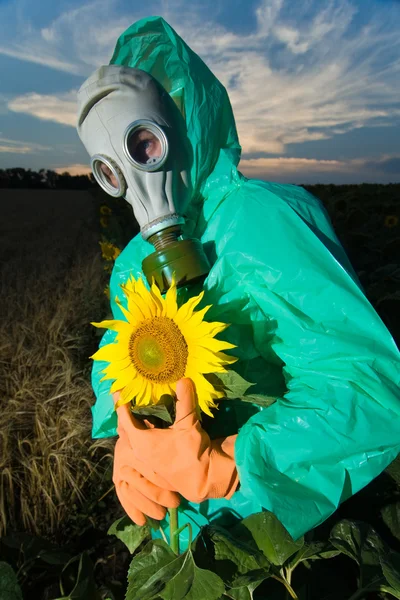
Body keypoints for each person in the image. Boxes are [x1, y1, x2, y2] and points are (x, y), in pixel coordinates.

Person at [76, 16, 400, 545]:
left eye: (145, 145)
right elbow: (118, 374)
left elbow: (366, 387)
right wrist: (126, 446)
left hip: (281, 535)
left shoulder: (262, 223)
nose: (139, 179)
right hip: (183, 536)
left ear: (182, 122)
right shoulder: (135, 262)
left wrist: (234, 459)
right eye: (113, 168)